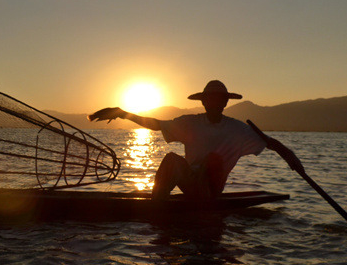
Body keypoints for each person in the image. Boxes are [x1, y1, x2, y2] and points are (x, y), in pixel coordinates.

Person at [88, 80, 302, 200]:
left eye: (219, 99)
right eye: (210, 99)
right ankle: (156, 207)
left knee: (213, 160)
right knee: (172, 159)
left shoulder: (238, 129)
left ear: (225, 103)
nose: (214, 102)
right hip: (191, 185)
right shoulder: (190, 123)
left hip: (211, 190)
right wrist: (123, 113)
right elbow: (156, 124)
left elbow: (269, 142)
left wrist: (291, 157)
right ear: (204, 102)